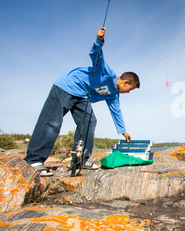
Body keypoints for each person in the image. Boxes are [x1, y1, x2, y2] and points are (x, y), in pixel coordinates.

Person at [24, 27, 140, 176]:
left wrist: (123, 131)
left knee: (90, 121)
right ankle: (33, 160)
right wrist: (99, 40)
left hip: (82, 97)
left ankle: (80, 160)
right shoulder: (108, 74)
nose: (128, 92)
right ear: (124, 82)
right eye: (129, 89)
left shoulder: (113, 95)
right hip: (67, 87)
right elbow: (96, 56)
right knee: (53, 122)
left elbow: (116, 111)